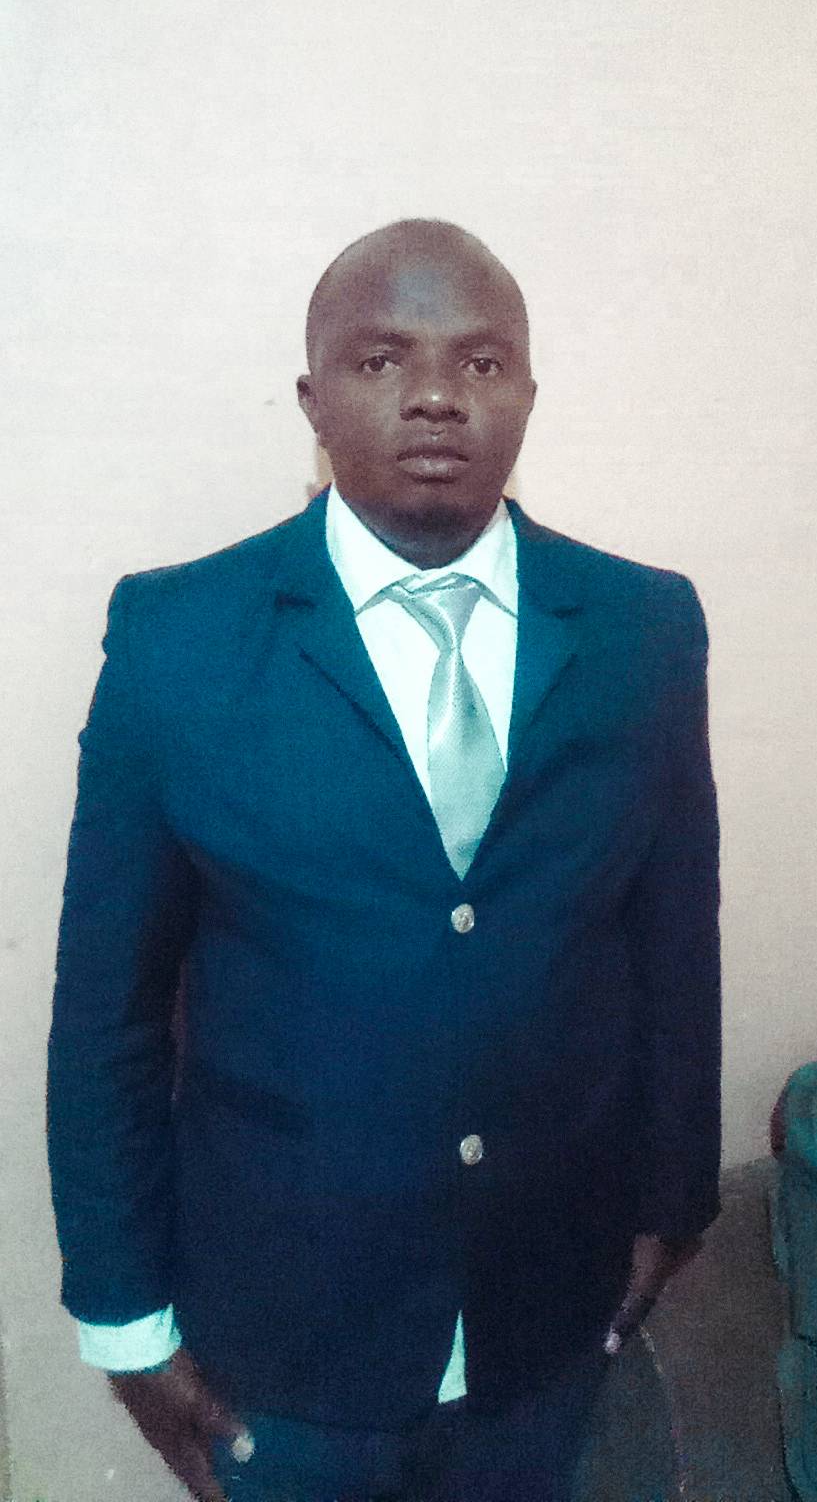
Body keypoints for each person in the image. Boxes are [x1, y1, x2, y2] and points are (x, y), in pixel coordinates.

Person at [47, 218, 721, 1502]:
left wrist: (673, 1201)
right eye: (381, 359)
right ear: (313, 400)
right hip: (282, 1326)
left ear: (528, 392)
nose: (434, 395)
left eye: (480, 361)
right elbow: (106, 1014)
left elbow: (674, 940)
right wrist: (125, 1324)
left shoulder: (643, 628)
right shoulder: (178, 637)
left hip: (548, 1307)